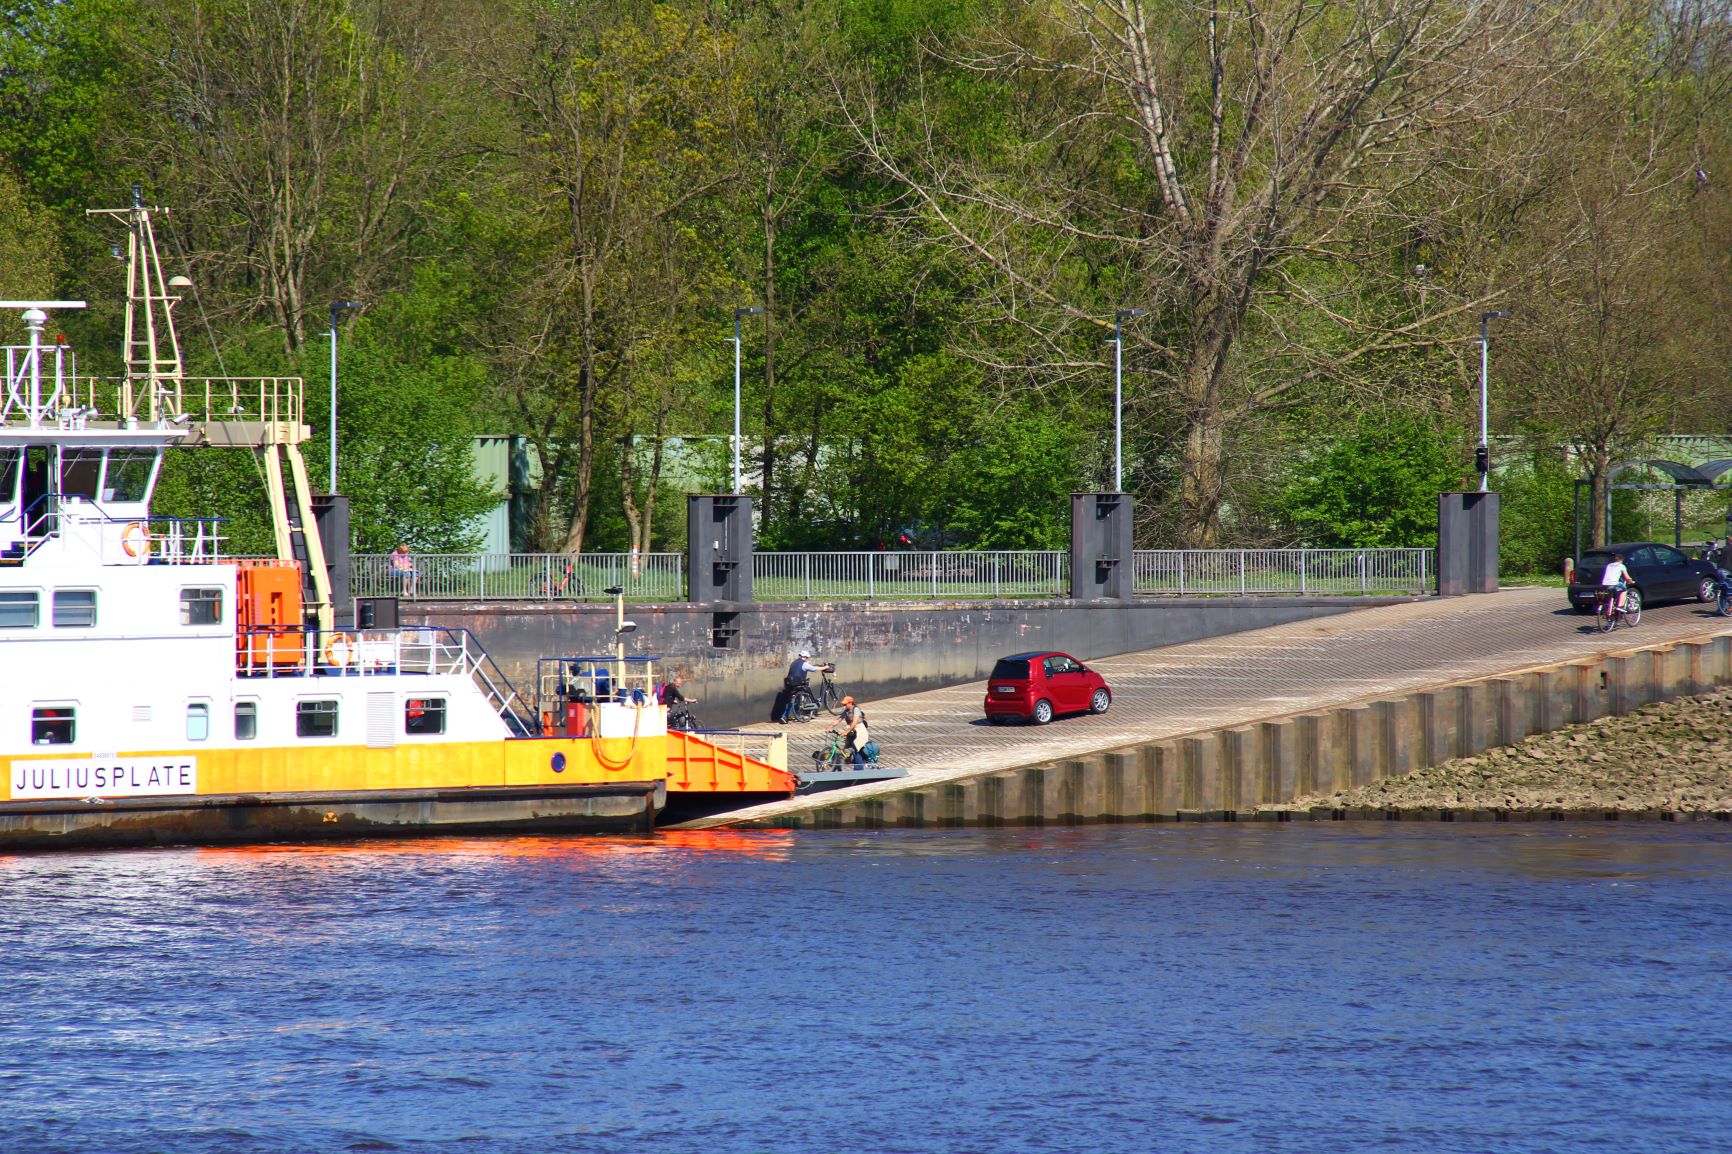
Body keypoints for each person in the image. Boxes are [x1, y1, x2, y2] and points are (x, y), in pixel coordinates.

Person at [777, 650, 826, 723]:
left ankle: (788, 716)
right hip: (798, 684)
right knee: (800, 698)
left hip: (790, 683)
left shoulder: (794, 662)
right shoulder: (804, 664)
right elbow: (814, 669)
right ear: (806, 657)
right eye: (807, 658)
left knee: (793, 700)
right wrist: (825, 667)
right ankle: (813, 705)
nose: (807, 659)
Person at [831, 696, 869, 769]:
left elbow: (854, 722)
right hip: (852, 730)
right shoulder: (846, 711)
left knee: (857, 748)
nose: (844, 706)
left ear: (850, 703)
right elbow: (839, 719)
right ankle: (847, 760)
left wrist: (846, 732)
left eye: (845, 704)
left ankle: (859, 769)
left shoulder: (856, 709)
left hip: (860, 730)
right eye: (843, 704)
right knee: (845, 746)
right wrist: (830, 727)